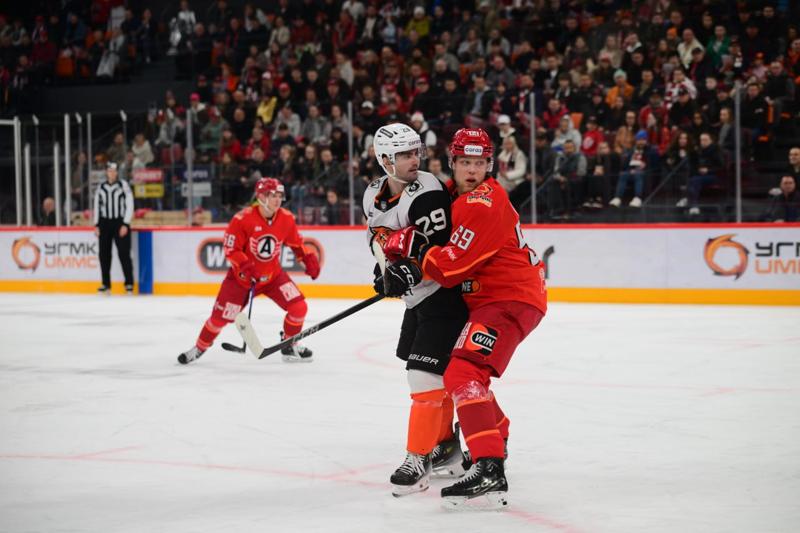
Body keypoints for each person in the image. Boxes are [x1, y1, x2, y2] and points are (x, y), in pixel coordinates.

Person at [382, 128, 547, 508]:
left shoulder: (482, 203)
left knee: (463, 373)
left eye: (480, 163)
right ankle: (496, 435)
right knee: (464, 372)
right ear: (452, 163)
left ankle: (489, 467)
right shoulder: (454, 195)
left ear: (490, 165)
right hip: (493, 299)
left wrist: (414, 254)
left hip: (508, 299)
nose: (472, 170)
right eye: (465, 162)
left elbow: (450, 267)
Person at [364, 123, 469, 497]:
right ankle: (447, 449)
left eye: (416, 152)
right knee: (434, 377)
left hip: (444, 296)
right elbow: (378, 239)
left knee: (423, 378)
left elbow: (442, 248)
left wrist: (411, 270)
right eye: (405, 154)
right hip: (418, 300)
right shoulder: (372, 194)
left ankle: (418, 459)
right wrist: (386, 272)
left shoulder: (427, 192)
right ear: (385, 160)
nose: (415, 160)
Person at [177, 178, 321, 365]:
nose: (277, 199)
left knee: (299, 307)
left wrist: (307, 259)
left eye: (280, 195)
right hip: (241, 281)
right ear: (261, 197)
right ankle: (199, 348)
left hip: (273, 277)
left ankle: (289, 344)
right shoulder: (242, 219)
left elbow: (296, 244)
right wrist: (245, 266)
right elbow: (231, 249)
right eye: (273, 195)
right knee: (218, 320)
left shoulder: (286, 218)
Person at [93, 162, 134, 294]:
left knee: (124, 254)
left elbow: (130, 204)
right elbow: (96, 206)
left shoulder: (123, 185)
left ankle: (129, 283)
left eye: (114, 171)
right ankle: (106, 284)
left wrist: (125, 223)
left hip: (119, 222)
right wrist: (96, 224)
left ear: (117, 173)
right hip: (104, 223)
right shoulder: (101, 187)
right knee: (104, 254)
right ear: (106, 172)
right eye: (110, 171)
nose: (112, 173)